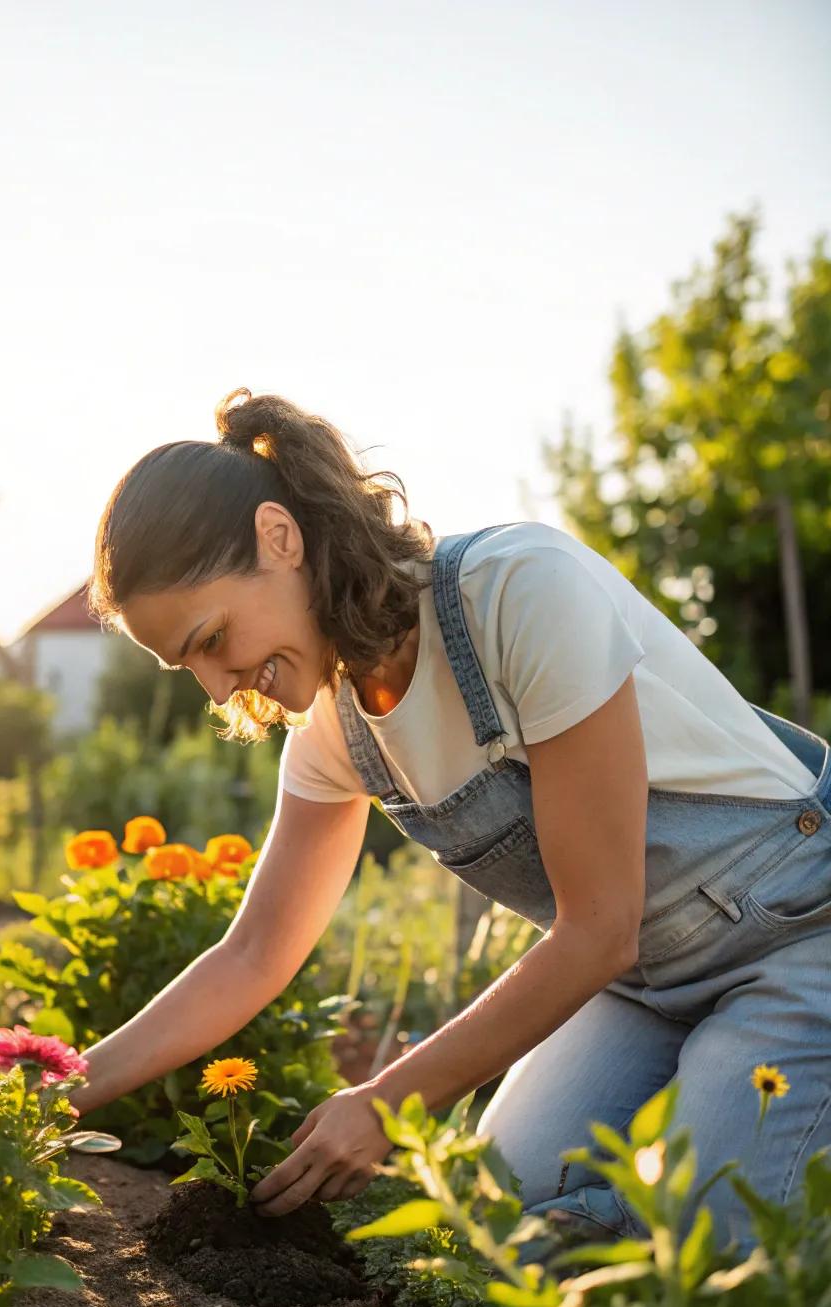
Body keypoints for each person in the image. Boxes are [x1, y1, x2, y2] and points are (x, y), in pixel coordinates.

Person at [68, 387, 831, 1255]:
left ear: (279, 539)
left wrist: (385, 1101)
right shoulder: (336, 736)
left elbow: (600, 928)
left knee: (712, 1252)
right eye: (186, 664)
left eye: (211, 639)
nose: (216, 686)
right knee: (497, 1217)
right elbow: (251, 956)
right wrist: (53, 1091)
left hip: (799, 933)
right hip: (646, 987)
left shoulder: (517, 593)